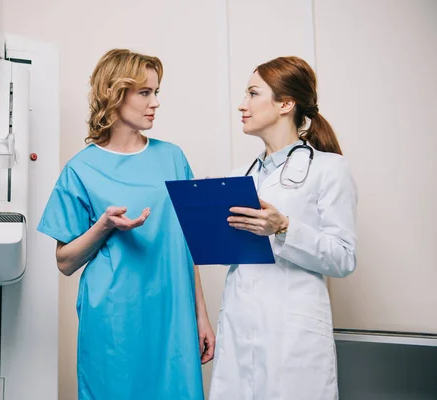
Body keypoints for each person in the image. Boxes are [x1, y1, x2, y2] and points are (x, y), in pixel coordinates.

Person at [37, 49, 215, 400]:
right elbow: (65, 261)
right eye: (145, 93)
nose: (156, 102)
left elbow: (189, 243)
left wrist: (201, 316)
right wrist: (103, 226)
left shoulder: (173, 158)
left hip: (171, 314)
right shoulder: (81, 170)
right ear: (115, 94)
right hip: (114, 317)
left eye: (156, 92)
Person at [209, 56, 357, 400]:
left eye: (252, 93)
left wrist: (284, 228)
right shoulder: (238, 177)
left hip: (292, 334)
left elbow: (344, 258)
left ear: (285, 104)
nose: (242, 105)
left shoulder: (328, 169)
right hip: (239, 326)